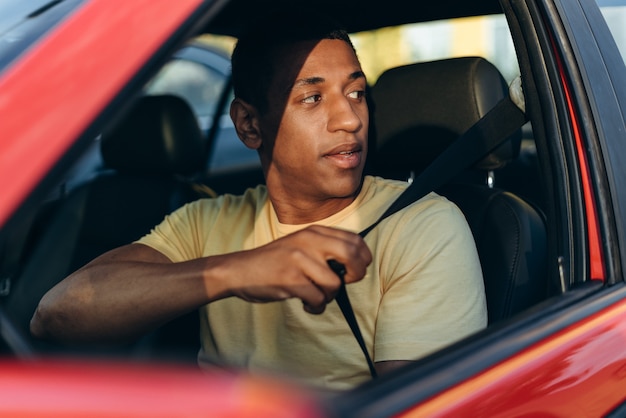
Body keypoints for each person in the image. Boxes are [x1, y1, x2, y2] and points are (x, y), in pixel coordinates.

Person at [30, 12, 487, 391]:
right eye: (312, 98)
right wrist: (237, 270)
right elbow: (57, 314)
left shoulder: (422, 226)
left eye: (356, 93)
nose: (349, 119)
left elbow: (419, 405)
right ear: (249, 125)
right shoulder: (207, 221)